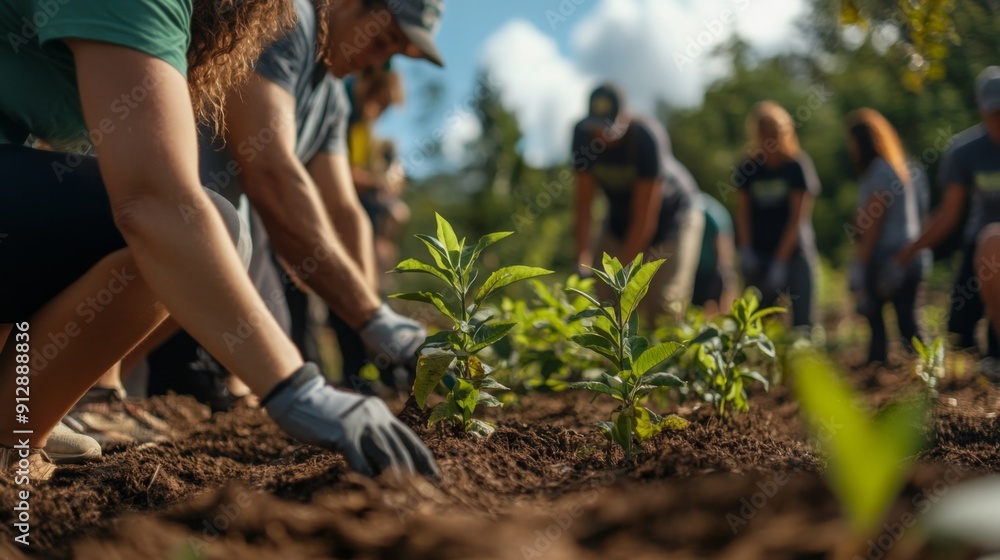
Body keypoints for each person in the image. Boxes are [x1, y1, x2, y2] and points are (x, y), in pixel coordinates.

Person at [0, 0, 438, 481]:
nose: (379, 62)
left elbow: (342, 211)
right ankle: (17, 432)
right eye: (382, 40)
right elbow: (153, 200)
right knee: (208, 229)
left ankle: (17, 418)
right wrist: (294, 388)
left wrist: (378, 314)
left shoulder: (326, 92)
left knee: (214, 232)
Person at [572, 84, 704, 324]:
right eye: (598, 128)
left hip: (672, 217)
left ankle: (665, 359)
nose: (603, 137)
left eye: (610, 129)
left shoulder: (645, 137)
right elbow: (584, 205)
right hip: (619, 218)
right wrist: (581, 258)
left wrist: (623, 275)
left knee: (662, 305)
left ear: (625, 117)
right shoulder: (582, 135)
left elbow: (645, 219)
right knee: (603, 304)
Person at [896, 66, 1000, 367]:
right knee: (959, 333)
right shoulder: (965, 151)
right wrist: (909, 251)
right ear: (981, 110)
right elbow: (949, 214)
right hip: (978, 244)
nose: (998, 119)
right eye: (992, 112)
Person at [846, 109, 926, 364]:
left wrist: (862, 263)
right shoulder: (897, 167)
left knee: (878, 315)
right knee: (906, 318)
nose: (851, 148)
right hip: (909, 254)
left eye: (853, 141)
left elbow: (874, 221)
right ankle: (923, 365)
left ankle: (879, 364)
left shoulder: (878, 171)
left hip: (888, 255)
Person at [735, 101, 821, 330]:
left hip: (794, 253)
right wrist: (746, 250)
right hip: (759, 253)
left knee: (802, 323)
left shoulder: (796, 166)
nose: (768, 140)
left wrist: (780, 262)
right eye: (763, 134)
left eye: (773, 134)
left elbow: (797, 218)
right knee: (755, 322)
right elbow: (742, 214)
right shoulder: (748, 168)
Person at [693, 193, 737, 315]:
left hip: (711, 270)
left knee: (714, 307)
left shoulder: (709, 212)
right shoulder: (700, 206)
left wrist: (725, 276)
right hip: (697, 268)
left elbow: (723, 243)